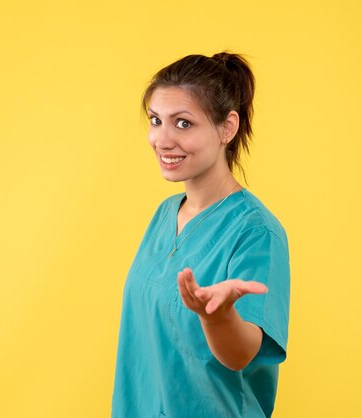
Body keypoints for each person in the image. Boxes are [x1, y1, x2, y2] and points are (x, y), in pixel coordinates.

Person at [112, 52, 290, 418]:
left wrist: (218, 317)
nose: (161, 139)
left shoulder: (256, 232)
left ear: (227, 127)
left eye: (183, 124)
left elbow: (241, 354)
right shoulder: (164, 215)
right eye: (156, 120)